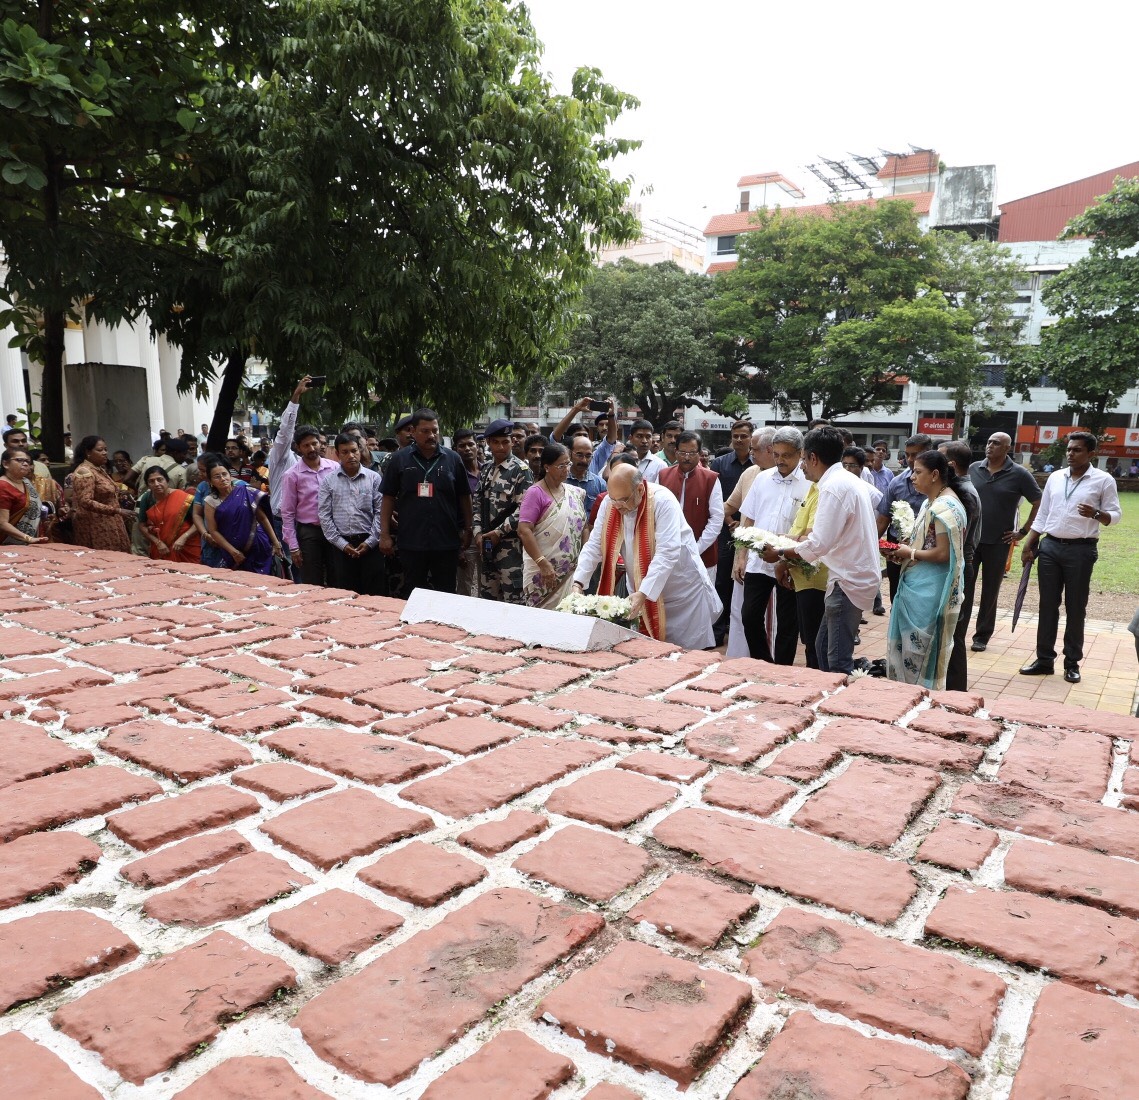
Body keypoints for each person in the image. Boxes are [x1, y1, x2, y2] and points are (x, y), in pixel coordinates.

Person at [572, 464, 721, 649]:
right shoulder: (610, 504)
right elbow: (595, 545)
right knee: (647, 652)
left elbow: (667, 551)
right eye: (613, 499)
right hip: (639, 587)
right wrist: (578, 582)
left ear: (640, 489)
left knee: (686, 653)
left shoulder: (662, 500)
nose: (618, 507)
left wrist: (645, 592)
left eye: (623, 500)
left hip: (680, 590)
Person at [1019, 431, 1122, 683]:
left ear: (1091, 454)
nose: (1070, 454)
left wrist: (1096, 514)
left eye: (1077, 450)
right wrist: (1029, 542)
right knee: (1047, 605)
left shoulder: (1103, 480)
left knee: (1075, 607)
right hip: (1050, 547)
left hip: (1081, 550)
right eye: (1069, 449)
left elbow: (1115, 516)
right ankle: (1044, 659)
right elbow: (1043, 514)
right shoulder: (1056, 477)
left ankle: (1072, 662)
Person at [780, 427, 881, 674]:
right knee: (823, 645)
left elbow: (819, 544)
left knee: (836, 661)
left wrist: (781, 550)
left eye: (803, 459)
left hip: (848, 581)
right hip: (850, 577)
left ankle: (842, 708)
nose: (801, 466)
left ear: (813, 458)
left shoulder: (833, 486)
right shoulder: (846, 479)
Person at [883, 450, 968, 689]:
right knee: (913, 650)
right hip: (920, 584)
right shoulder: (933, 502)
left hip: (930, 591)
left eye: (917, 472)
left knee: (921, 651)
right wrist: (903, 552)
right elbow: (925, 544)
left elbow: (942, 554)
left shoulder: (944, 507)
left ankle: (919, 697)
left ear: (935, 475)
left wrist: (907, 553)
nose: (912, 477)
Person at [379, 408, 473, 595]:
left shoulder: (453, 459)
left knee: (445, 592)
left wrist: (469, 528)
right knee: (413, 592)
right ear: (413, 431)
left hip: (445, 541)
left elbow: (464, 495)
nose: (432, 435)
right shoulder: (399, 459)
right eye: (425, 431)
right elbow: (388, 497)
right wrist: (385, 534)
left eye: (435, 430)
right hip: (412, 541)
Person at [735, 427, 806, 665]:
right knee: (749, 616)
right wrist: (741, 556)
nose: (780, 460)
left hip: (789, 561)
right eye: (776, 454)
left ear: (800, 453)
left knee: (788, 622)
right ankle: (762, 662)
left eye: (787, 455)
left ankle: (782, 668)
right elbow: (749, 519)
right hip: (759, 559)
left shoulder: (808, 482)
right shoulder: (762, 479)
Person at [967, 432, 1043, 653]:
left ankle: (982, 635)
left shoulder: (1019, 474)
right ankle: (958, 629)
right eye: (989, 442)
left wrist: (1023, 531)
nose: (990, 446)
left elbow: (1038, 502)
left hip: (999, 542)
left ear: (1008, 448)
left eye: (996, 443)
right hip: (971, 540)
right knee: (964, 587)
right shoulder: (973, 469)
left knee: (991, 590)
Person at [518, 442, 587, 608]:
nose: (567, 469)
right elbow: (524, 530)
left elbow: (584, 526)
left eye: (568, 464)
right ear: (547, 467)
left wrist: (584, 557)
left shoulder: (575, 493)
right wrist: (542, 563)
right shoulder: (535, 493)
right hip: (543, 572)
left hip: (572, 572)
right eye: (561, 465)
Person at [318, 433, 386, 595]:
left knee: (374, 593)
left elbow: (380, 512)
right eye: (345, 452)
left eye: (354, 451)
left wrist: (370, 542)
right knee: (345, 594)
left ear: (360, 451)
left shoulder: (374, 478)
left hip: (370, 545)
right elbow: (325, 516)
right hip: (342, 547)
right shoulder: (329, 481)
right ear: (337, 454)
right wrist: (342, 544)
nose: (351, 456)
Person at [710, 421, 759, 647]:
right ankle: (718, 630)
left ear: (751, 439)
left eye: (743, 436)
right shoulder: (719, 463)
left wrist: (744, 524)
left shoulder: (759, 466)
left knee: (745, 579)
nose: (739, 440)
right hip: (726, 530)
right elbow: (718, 501)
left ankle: (740, 630)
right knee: (722, 581)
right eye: (735, 436)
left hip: (753, 532)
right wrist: (731, 522)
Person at [940, 441, 982, 692]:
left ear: (950, 466)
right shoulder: (960, 489)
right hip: (962, 562)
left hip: (960, 566)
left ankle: (956, 692)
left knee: (954, 633)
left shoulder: (962, 495)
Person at [476, 419, 533, 603]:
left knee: (513, 599)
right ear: (488, 443)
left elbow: (524, 509)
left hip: (510, 545)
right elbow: (477, 502)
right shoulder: (485, 470)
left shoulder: (521, 470)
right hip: (486, 544)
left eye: (505, 441)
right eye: (496, 442)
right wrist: (477, 531)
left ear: (512, 442)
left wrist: (499, 531)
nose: (501, 447)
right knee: (488, 598)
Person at [658, 431, 723, 579]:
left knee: (703, 600)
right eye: (682, 452)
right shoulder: (663, 476)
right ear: (676, 452)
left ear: (700, 453)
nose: (687, 457)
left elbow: (717, 519)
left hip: (702, 554)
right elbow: (655, 512)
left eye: (692, 453)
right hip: (669, 553)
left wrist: (697, 548)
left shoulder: (711, 478)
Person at [280, 424, 339, 586]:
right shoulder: (292, 475)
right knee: (312, 580)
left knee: (338, 576)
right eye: (306, 445)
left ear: (320, 443)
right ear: (298, 448)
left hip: (335, 529)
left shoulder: (335, 468)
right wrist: (293, 546)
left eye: (314, 443)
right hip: (309, 532)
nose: (312, 448)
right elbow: (287, 512)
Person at [876, 434, 932, 601]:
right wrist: (872, 544)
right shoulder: (897, 482)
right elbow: (883, 518)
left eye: (915, 454)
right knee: (897, 593)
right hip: (897, 547)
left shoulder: (939, 482)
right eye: (907, 454)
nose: (909, 459)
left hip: (925, 548)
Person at [203, 458, 281, 573]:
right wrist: (233, 552)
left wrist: (275, 542)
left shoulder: (246, 491)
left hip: (259, 545)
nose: (222, 479)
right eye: (217, 477)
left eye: (224, 474)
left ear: (230, 475)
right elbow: (213, 531)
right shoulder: (210, 501)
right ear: (210, 481)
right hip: (235, 554)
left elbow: (262, 518)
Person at [69, 436, 134, 552]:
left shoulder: (98, 469)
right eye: (100, 450)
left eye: (105, 449)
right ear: (88, 452)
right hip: (96, 525)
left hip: (110, 522)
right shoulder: (84, 472)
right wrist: (116, 510)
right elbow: (85, 501)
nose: (105, 453)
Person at [141, 466, 200, 563]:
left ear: (167, 480)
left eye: (160, 479)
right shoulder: (147, 499)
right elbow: (142, 525)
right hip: (161, 548)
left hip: (187, 546)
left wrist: (183, 538)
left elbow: (198, 522)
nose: (156, 484)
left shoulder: (184, 498)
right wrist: (157, 542)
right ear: (148, 485)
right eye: (151, 481)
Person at [453, 428, 483, 597]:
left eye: (470, 444)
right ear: (456, 449)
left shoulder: (488, 470)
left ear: (477, 446)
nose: (467, 449)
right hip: (465, 536)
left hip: (486, 534)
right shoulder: (453, 475)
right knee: (465, 584)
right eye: (462, 446)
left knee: (485, 582)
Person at [0, 448, 48, 545]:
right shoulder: (2, 486)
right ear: (5, 464)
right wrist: (28, 538)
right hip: (8, 543)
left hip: (32, 540)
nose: (25, 464)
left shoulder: (26, 482)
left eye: (27, 461)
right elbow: (2, 523)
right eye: (19, 460)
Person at [565, 433, 605, 519]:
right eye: (579, 455)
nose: (584, 460)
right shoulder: (560, 480)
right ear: (570, 454)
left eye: (588, 456)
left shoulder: (600, 484)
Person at [623, 419, 667, 484]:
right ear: (631, 438)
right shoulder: (621, 461)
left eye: (648, 437)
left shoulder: (660, 465)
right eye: (639, 436)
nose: (644, 441)